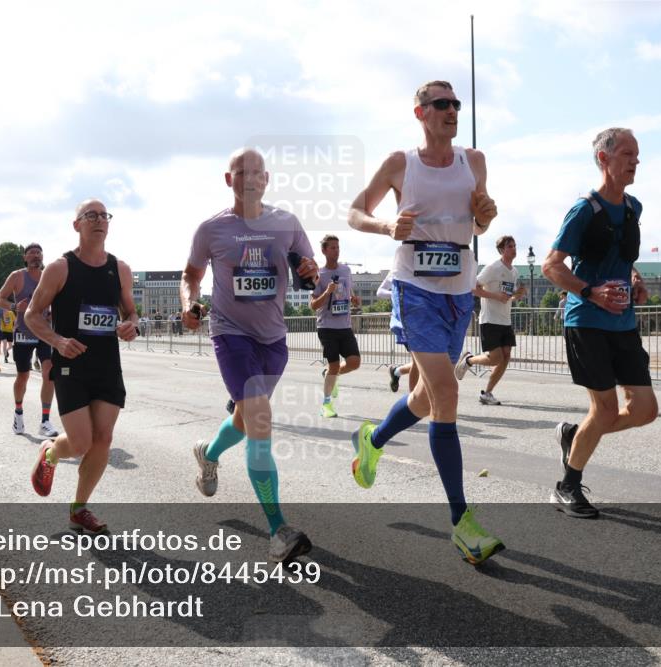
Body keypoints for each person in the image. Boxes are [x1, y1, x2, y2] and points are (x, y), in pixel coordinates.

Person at [347, 80, 503, 564]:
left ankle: (372, 440)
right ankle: (462, 522)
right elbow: (355, 212)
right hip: (414, 287)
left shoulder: (473, 160)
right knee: (447, 392)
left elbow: (478, 222)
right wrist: (385, 226)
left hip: (458, 288)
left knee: (425, 396)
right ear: (420, 112)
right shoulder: (401, 163)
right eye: (441, 104)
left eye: (456, 103)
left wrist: (486, 217)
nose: (452, 110)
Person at [183, 147, 319, 564]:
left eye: (257, 172)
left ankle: (208, 454)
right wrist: (189, 303)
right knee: (259, 420)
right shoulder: (211, 229)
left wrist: (311, 271)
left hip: (273, 340)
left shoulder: (286, 223)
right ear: (229, 180)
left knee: (245, 420)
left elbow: (309, 267)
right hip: (231, 334)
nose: (250, 178)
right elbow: (191, 275)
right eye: (241, 172)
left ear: (267, 179)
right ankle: (279, 531)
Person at [542, 127, 658, 519]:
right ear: (603, 159)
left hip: (623, 324)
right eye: (627, 154)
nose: (635, 161)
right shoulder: (584, 211)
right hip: (587, 322)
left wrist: (636, 280)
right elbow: (551, 266)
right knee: (605, 409)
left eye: (637, 155)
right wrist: (591, 292)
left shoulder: (633, 208)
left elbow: (623, 258)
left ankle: (576, 436)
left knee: (645, 410)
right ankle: (567, 486)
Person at [27, 199, 138, 533]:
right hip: (71, 366)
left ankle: (79, 508)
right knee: (80, 443)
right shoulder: (60, 268)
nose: (99, 220)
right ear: (77, 225)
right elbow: (32, 315)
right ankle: (51, 451)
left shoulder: (120, 269)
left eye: (104, 215)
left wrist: (131, 325)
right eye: (91, 215)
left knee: (103, 438)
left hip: (107, 365)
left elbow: (131, 312)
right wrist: (58, 341)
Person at [455, 235, 527, 405]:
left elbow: (506, 297)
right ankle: (469, 360)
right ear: (502, 250)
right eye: (510, 246)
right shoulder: (493, 268)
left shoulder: (514, 271)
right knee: (495, 358)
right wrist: (495, 296)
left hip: (505, 320)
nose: (514, 249)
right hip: (490, 319)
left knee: (506, 357)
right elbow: (474, 288)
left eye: (515, 245)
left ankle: (487, 393)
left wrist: (518, 295)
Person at [0, 243, 59, 437]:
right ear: (25, 257)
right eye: (31, 253)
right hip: (23, 332)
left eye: (38, 253)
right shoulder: (17, 276)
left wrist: (53, 313)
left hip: (44, 332)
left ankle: (45, 421)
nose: (35, 256)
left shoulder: (49, 276)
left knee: (49, 372)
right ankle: (18, 413)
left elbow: (57, 301)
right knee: (23, 375)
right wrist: (15, 307)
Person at [309, 234, 361, 417]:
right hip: (327, 327)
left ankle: (330, 375)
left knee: (354, 362)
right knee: (334, 365)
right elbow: (313, 305)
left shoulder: (346, 270)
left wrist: (353, 299)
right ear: (324, 251)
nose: (336, 251)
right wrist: (326, 292)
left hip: (345, 325)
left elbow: (348, 290)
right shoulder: (319, 274)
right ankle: (326, 405)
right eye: (332, 248)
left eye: (338, 247)